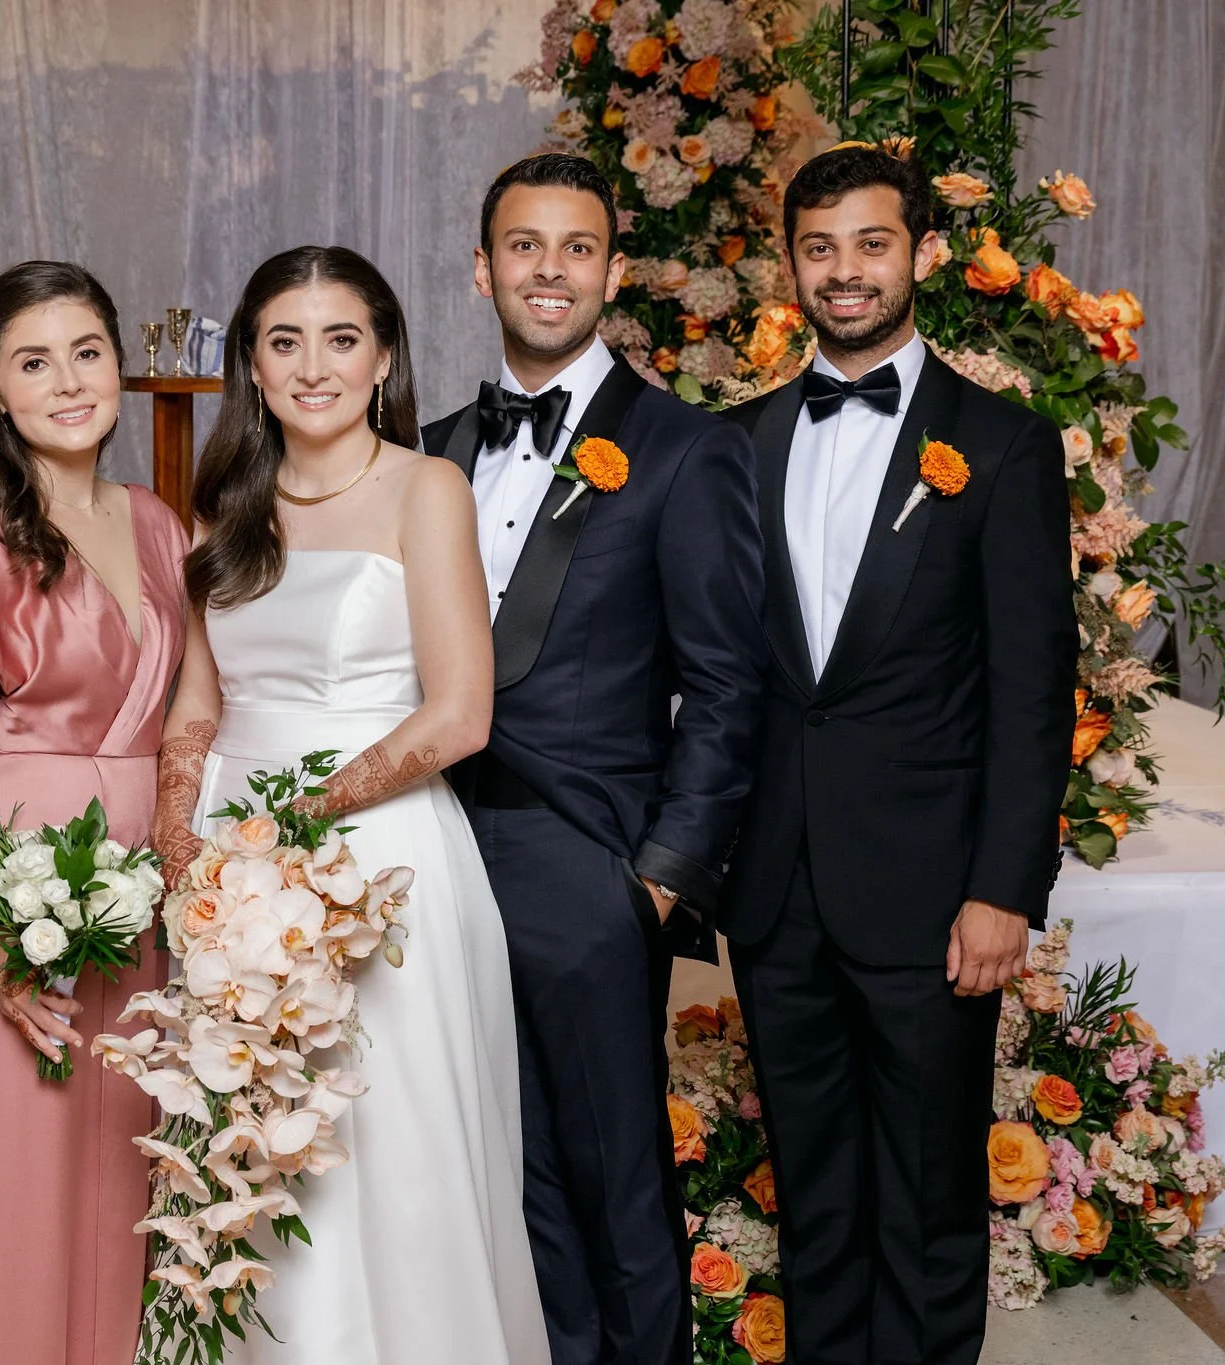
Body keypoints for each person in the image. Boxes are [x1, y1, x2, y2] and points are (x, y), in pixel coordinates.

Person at [153, 245, 551, 1365]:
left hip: (375, 858)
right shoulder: (224, 505)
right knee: (240, 1138)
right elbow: (197, 699)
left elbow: (459, 714)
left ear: (383, 359)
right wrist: (181, 835)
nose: (312, 366)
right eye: (283, 342)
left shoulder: (428, 489)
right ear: (251, 364)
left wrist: (294, 826)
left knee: (385, 1144)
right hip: (230, 871)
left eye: (340, 340)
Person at [718, 143, 1075, 1365]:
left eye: (869, 244)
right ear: (789, 266)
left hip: (931, 896)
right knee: (812, 1195)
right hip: (774, 889)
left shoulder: (1001, 445)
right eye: (817, 248)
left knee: (925, 1203)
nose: (844, 271)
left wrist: (1001, 890)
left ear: (920, 253)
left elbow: (1030, 690)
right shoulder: (736, 442)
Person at [421, 152, 766, 1365]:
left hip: (588, 866)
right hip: (439, 854)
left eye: (576, 248)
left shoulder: (680, 449)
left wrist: (661, 877)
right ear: (482, 269)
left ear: (613, 272)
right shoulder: (428, 451)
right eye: (524, 245)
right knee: (503, 1171)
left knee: (614, 1177)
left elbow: (725, 685)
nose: (548, 271)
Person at [0, 260, 187, 1365]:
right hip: (19, 897)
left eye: (86, 352)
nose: (67, 382)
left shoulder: (157, 523)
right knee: (17, 1198)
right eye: (33, 362)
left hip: (139, 907)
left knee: (121, 1188)